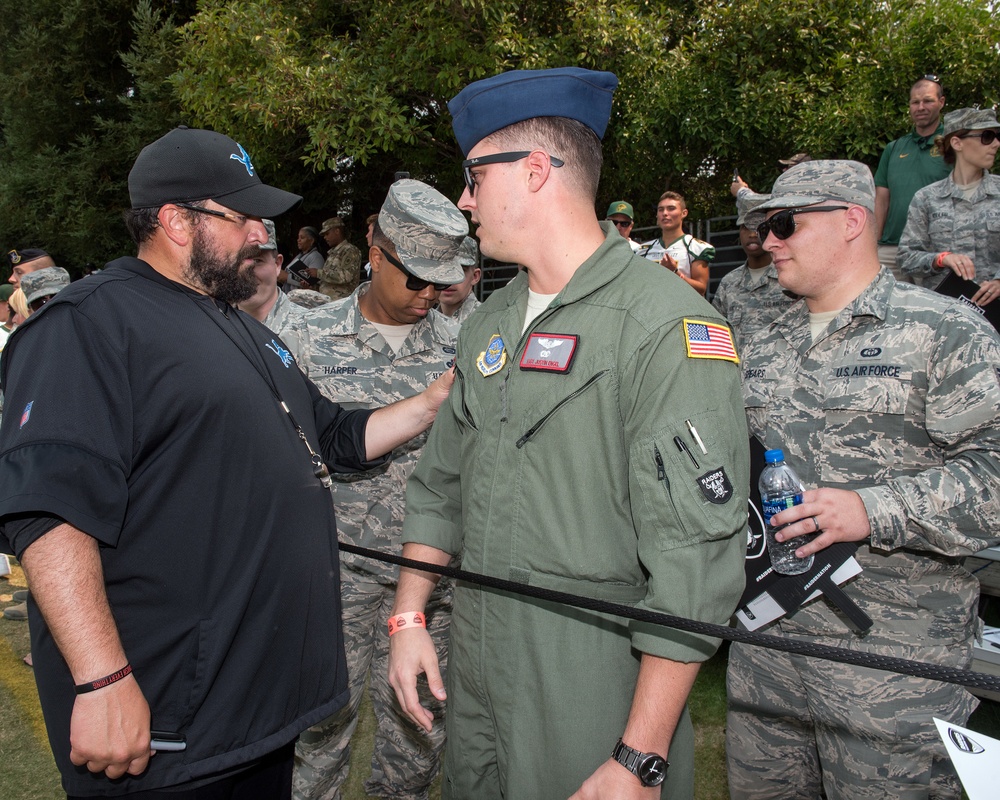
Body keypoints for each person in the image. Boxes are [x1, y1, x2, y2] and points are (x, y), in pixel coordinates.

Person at [0, 125, 454, 798]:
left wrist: (437, 399)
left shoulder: (242, 328)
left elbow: (334, 437)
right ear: (175, 220)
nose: (260, 235)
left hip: (255, 714)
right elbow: (49, 512)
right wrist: (101, 679)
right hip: (165, 716)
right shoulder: (89, 325)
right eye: (241, 217)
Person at [387, 66, 749, 800]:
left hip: (592, 678)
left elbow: (694, 563)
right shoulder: (488, 321)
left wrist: (640, 757)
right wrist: (408, 614)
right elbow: (440, 483)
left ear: (534, 170)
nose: (463, 201)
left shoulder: (666, 325)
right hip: (479, 664)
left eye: (472, 176)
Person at [727, 160, 1000, 800]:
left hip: (891, 661)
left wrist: (873, 509)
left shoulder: (945, 331)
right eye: (766, 225)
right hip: (767, 648)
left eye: (786, 223)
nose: (769, 240)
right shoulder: (761, 341)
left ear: (852, 222)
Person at [291, 179, 465, 800]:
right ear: (374, 245)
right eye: (414, 276)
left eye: (440, 282)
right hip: (331, 579)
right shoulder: (305, 342)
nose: (426, 295)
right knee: (317, 741)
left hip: (432, 585)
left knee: (416, 748)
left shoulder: (464, 348)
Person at [897, 107, 1000, 302]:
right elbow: (906, 258)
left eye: (997, 136)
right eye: (987, 136)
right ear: (956, 142)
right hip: (945, 314)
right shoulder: (927, 198)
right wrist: (940, 259)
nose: (995, 143)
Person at [874, 75, 950, 281]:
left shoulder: (953, 145)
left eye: (928, 100)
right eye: (915, 102)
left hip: (933, 252)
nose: (921, 107)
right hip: (891, 249)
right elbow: (882, 199)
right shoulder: (894, 148)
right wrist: (874, 243)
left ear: (941, 102)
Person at [712, 191, 792, 351]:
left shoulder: (789, 279)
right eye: (745, 228)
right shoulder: (729, 283)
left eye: (758, 227)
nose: (752, 234)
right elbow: (716, 334)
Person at [237, 219, 305, 338]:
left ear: (277, 265)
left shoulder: (308, 331)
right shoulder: (213, 327)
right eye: (235, 262)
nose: (244, 273)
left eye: (257, 261)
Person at [639, 191, 714, 295]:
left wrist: (675, 273)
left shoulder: (696, 248)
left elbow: (701, 290)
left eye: (671, 208)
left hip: (683, 309)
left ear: (684, 213)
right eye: (661, 210)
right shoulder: (642, 250)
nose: (665, 213)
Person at [437, 236, 482, 322]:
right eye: (442, 270)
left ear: (475, 276)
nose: (449, 279)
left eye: (459, 271)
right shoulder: (425, 321)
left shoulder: (487, 320)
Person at [318, 216, 362, 299]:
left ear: (337, 231)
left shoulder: (350, 250)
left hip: (342, 304)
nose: (325, 237)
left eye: (327, 234)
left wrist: (318, 273)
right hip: (329, 303)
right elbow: (327, 284)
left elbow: (346, 276)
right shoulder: (332, 253)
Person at [281, 225, 325, 292]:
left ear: (311, 240)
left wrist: (287, 277)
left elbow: (312, 283)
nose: (298, 240)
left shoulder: (316, 257)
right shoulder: (300, 255)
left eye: (302, 238)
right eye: (298, 237)